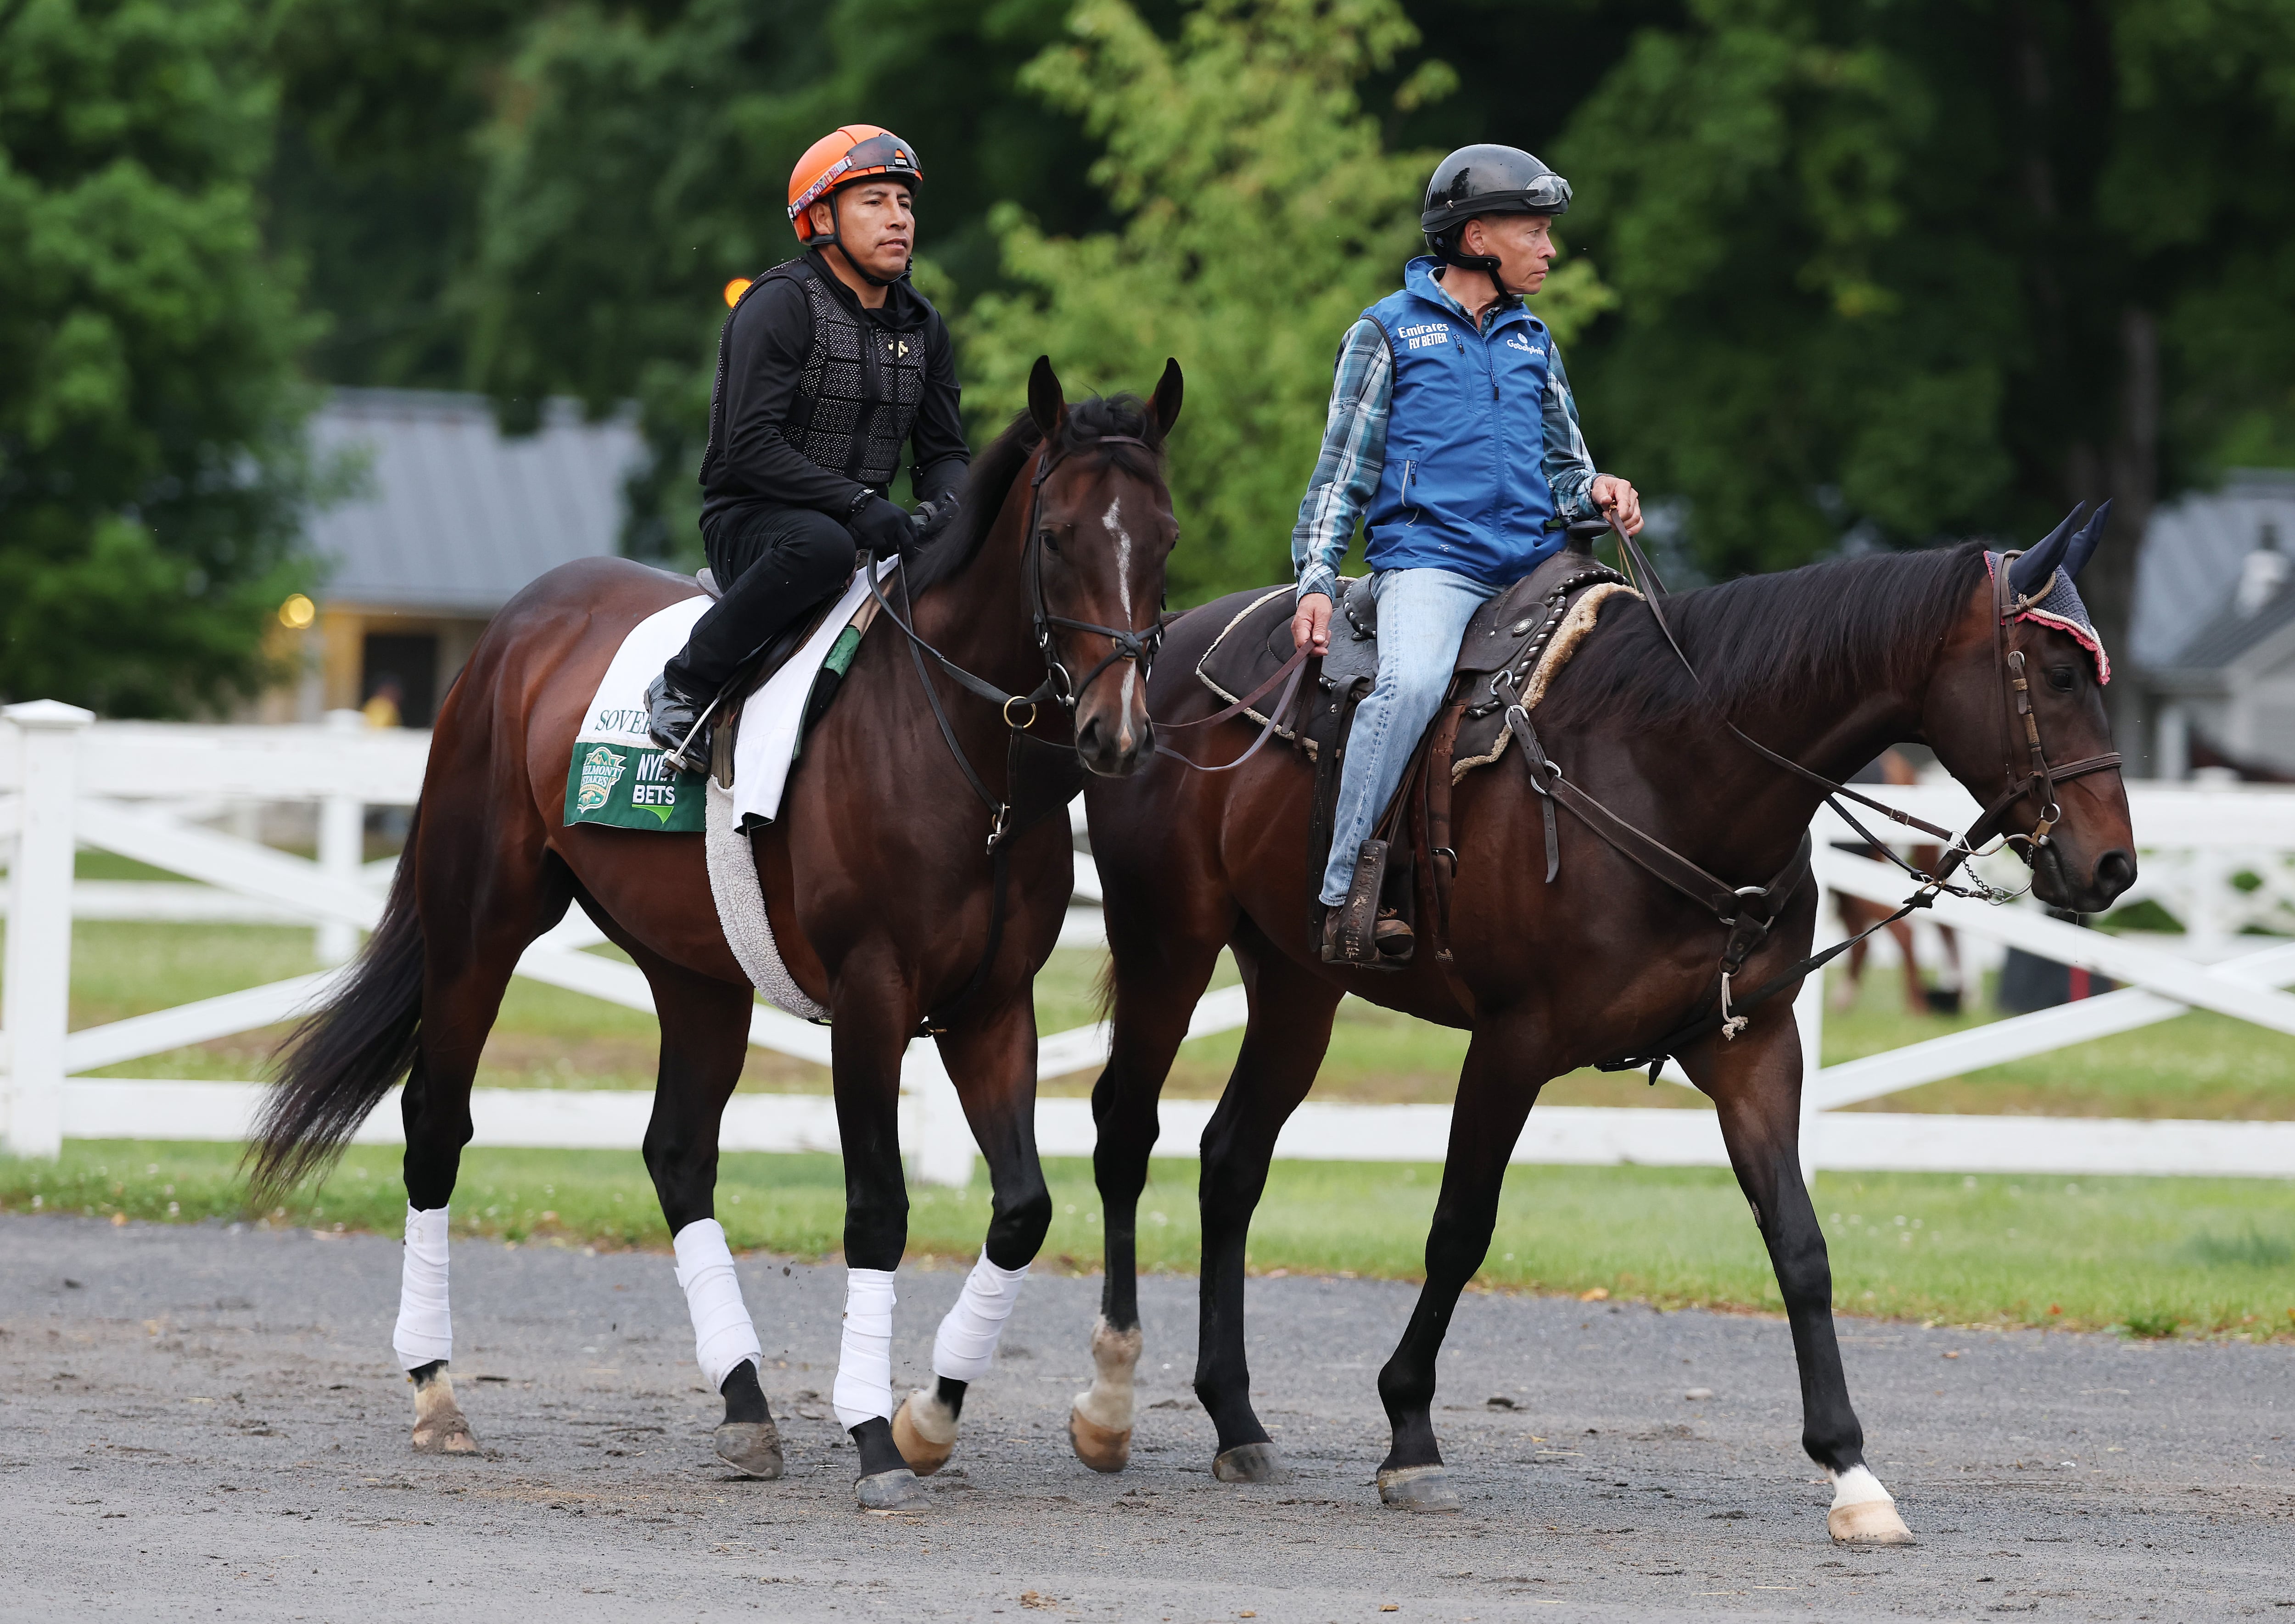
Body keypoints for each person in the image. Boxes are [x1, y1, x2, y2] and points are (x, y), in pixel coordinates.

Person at [1290, 144, 1644, 966]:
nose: (1551, 249)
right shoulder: (1385, 333)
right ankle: (1346, 892)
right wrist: (1314, 578)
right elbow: (1340, 475)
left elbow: (1565, 471)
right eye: (1535, 232)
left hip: (1539, 566)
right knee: (1410, 683)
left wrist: (1596, 492)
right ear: (1479, 236)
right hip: (1432, 567)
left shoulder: (1534, 343)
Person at [645, 125, 968, 767]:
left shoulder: (925, 324)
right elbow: (748, 449)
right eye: (874, 202)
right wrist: (855, 506)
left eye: (905, 203)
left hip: (861, 527)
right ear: (822, 216)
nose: (899, 219)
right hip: (755, 523)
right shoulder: (780, 304)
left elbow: (942, 455)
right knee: (823, 545)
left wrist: (958, 513)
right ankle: (685, 683)